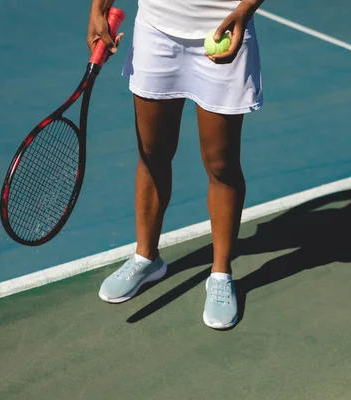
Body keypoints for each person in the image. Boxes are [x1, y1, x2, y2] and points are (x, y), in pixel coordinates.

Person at [88, 0, 264, 329]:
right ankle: (146, 258)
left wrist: (246, 10)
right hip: (157, 29)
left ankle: (221, 274)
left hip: (223, 27)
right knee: (152, 152)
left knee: (221, 164)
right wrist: (99, 8)